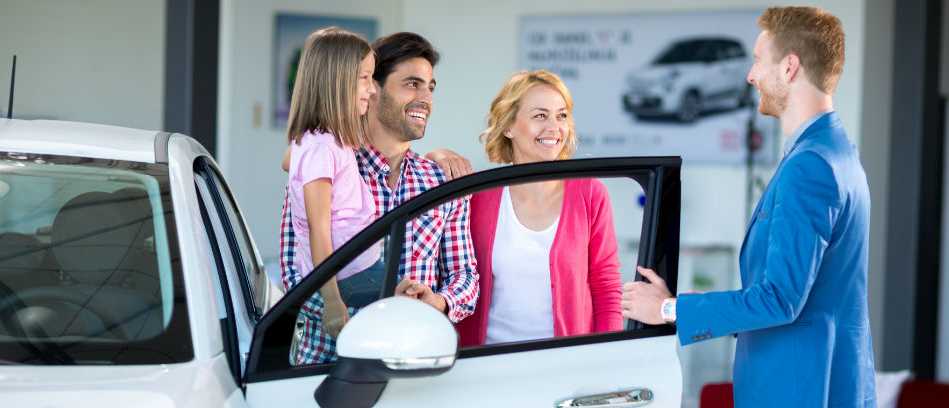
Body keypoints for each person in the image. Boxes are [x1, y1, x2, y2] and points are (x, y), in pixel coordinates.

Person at [621, 7, 876, 407]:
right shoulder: (838, 152)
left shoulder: (810, 166)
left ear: (789, 67)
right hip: (827, 383)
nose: (750, 76)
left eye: (758, 60)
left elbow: (779, 299)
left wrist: (671, 309)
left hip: (797, 390)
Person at [280, 32, 478, 365]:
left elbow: (465, 275)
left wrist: (439, 302)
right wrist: (379, 309)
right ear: (373, 89)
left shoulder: (442, 181)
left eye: (430, 87)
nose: (426, 98)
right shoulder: (327, 166)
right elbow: (293, 276)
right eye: (412, 84)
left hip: (415, 369)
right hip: (328, 367)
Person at [454, 70, 623, 347]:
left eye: (562, 115)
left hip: (564, 366)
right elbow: (456, 277)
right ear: (508, 126)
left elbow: (607, 287)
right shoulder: (478, 197)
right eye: (540, 116)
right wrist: (437, 157)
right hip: (487, 364)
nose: (554, 127)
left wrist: (607, 354)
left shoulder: (590, 193)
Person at [284, 27, 380, 338]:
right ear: (337, 82)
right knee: (413, 304)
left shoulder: (319, 143)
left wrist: (303, 165)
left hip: (358, 265)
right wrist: (332, 302)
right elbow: (318, 228)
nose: (373, 89)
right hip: (346, 276)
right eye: (364, 78)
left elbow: (288, 161)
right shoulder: (321, 148)